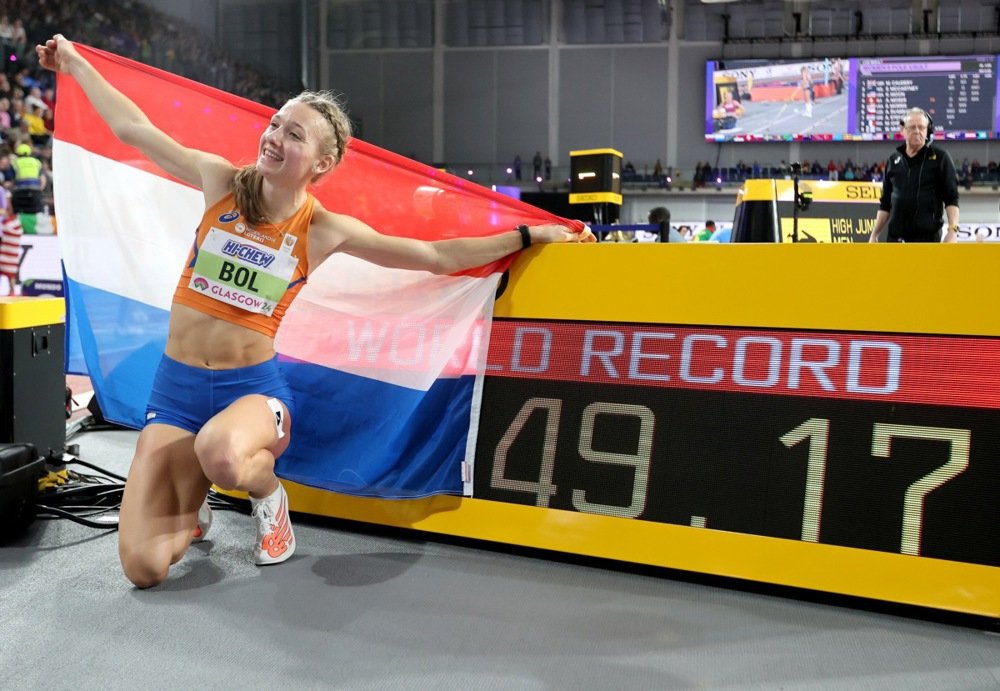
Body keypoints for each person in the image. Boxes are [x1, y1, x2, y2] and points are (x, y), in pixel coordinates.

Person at [37, 34, 594, 588]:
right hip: (175, 391)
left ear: (322, 162)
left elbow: (433, 255)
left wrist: (530, 233)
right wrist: (76, 63)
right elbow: (135, 130)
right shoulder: (222, 182)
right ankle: (192, 500)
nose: (274, 136)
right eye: (275, 123)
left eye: (293, 133)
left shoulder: (323, 230)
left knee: (222, 453)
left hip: (250, 393)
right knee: (145, 569)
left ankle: (268, 497)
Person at [868, 107, 959, 243]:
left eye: (922, 127)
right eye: (912, 127)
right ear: (903, 130)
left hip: (928, 241)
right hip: (895, 240)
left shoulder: (941, 158)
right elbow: (885, 204)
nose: (917, 131)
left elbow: (952, 199)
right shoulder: (893, 160)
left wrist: (953, 231)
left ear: (928, 130)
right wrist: (874, 234)